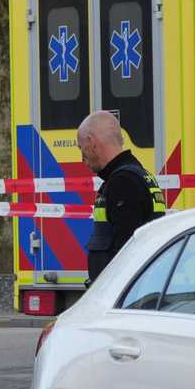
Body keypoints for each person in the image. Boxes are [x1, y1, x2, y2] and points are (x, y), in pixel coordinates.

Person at [78, 110, 166, 282]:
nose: (82, 158)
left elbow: (126, 252)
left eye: (81, 148)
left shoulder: (124, 182)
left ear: (92, 142)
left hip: (123, 295)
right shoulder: (135, 175)